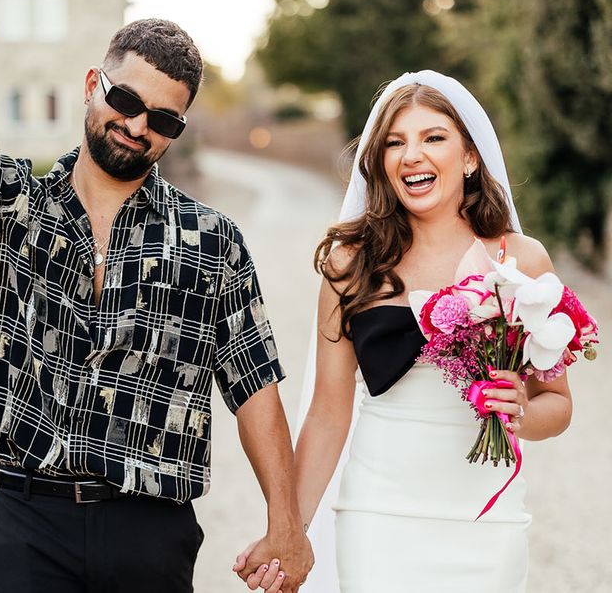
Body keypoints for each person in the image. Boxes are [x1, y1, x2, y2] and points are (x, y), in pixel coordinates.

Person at [0, 0, 313, 591]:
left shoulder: (214, 242)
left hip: (151, 534)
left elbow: (255, 386)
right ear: (94, 85)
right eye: (124, 101)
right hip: (29, 522)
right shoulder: (10, 206)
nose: (137, 125)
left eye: (163, 121)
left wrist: (287, 524)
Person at [240, 71, 573, 592]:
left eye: (433, 137)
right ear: (381, 162)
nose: (411, 155)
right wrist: (291, 533)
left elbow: (557, 403)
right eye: (395, 143)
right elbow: (328, 413)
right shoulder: (350, 264)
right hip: (377, 521)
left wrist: (522, 412)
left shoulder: (520, 261)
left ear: (469, 157)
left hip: (487, 524)